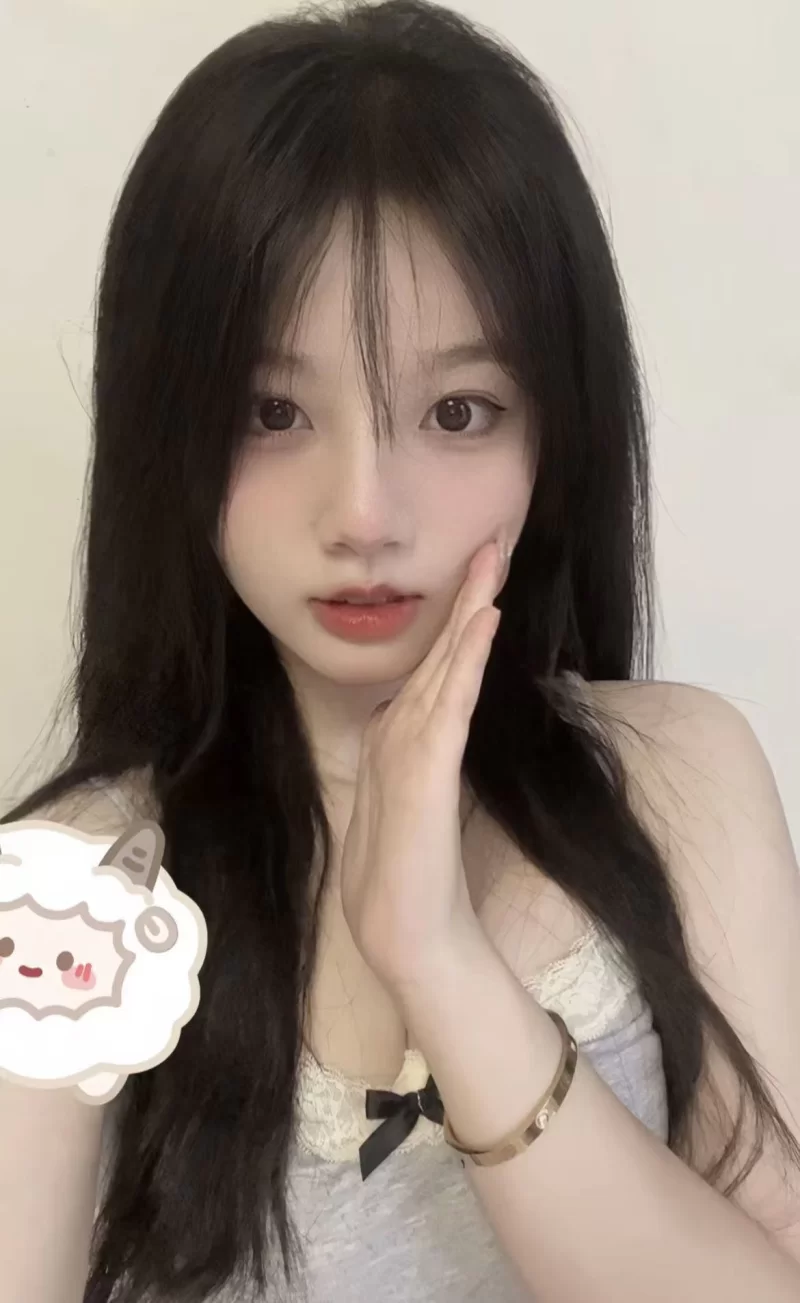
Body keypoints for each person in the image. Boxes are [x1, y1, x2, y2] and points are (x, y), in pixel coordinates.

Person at [2, 1, 800, 1300]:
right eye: (275, 412)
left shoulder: (676, 776)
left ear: (555, 430)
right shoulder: (63, 896)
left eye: (458, 411)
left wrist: (439, 957)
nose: (366, 513)